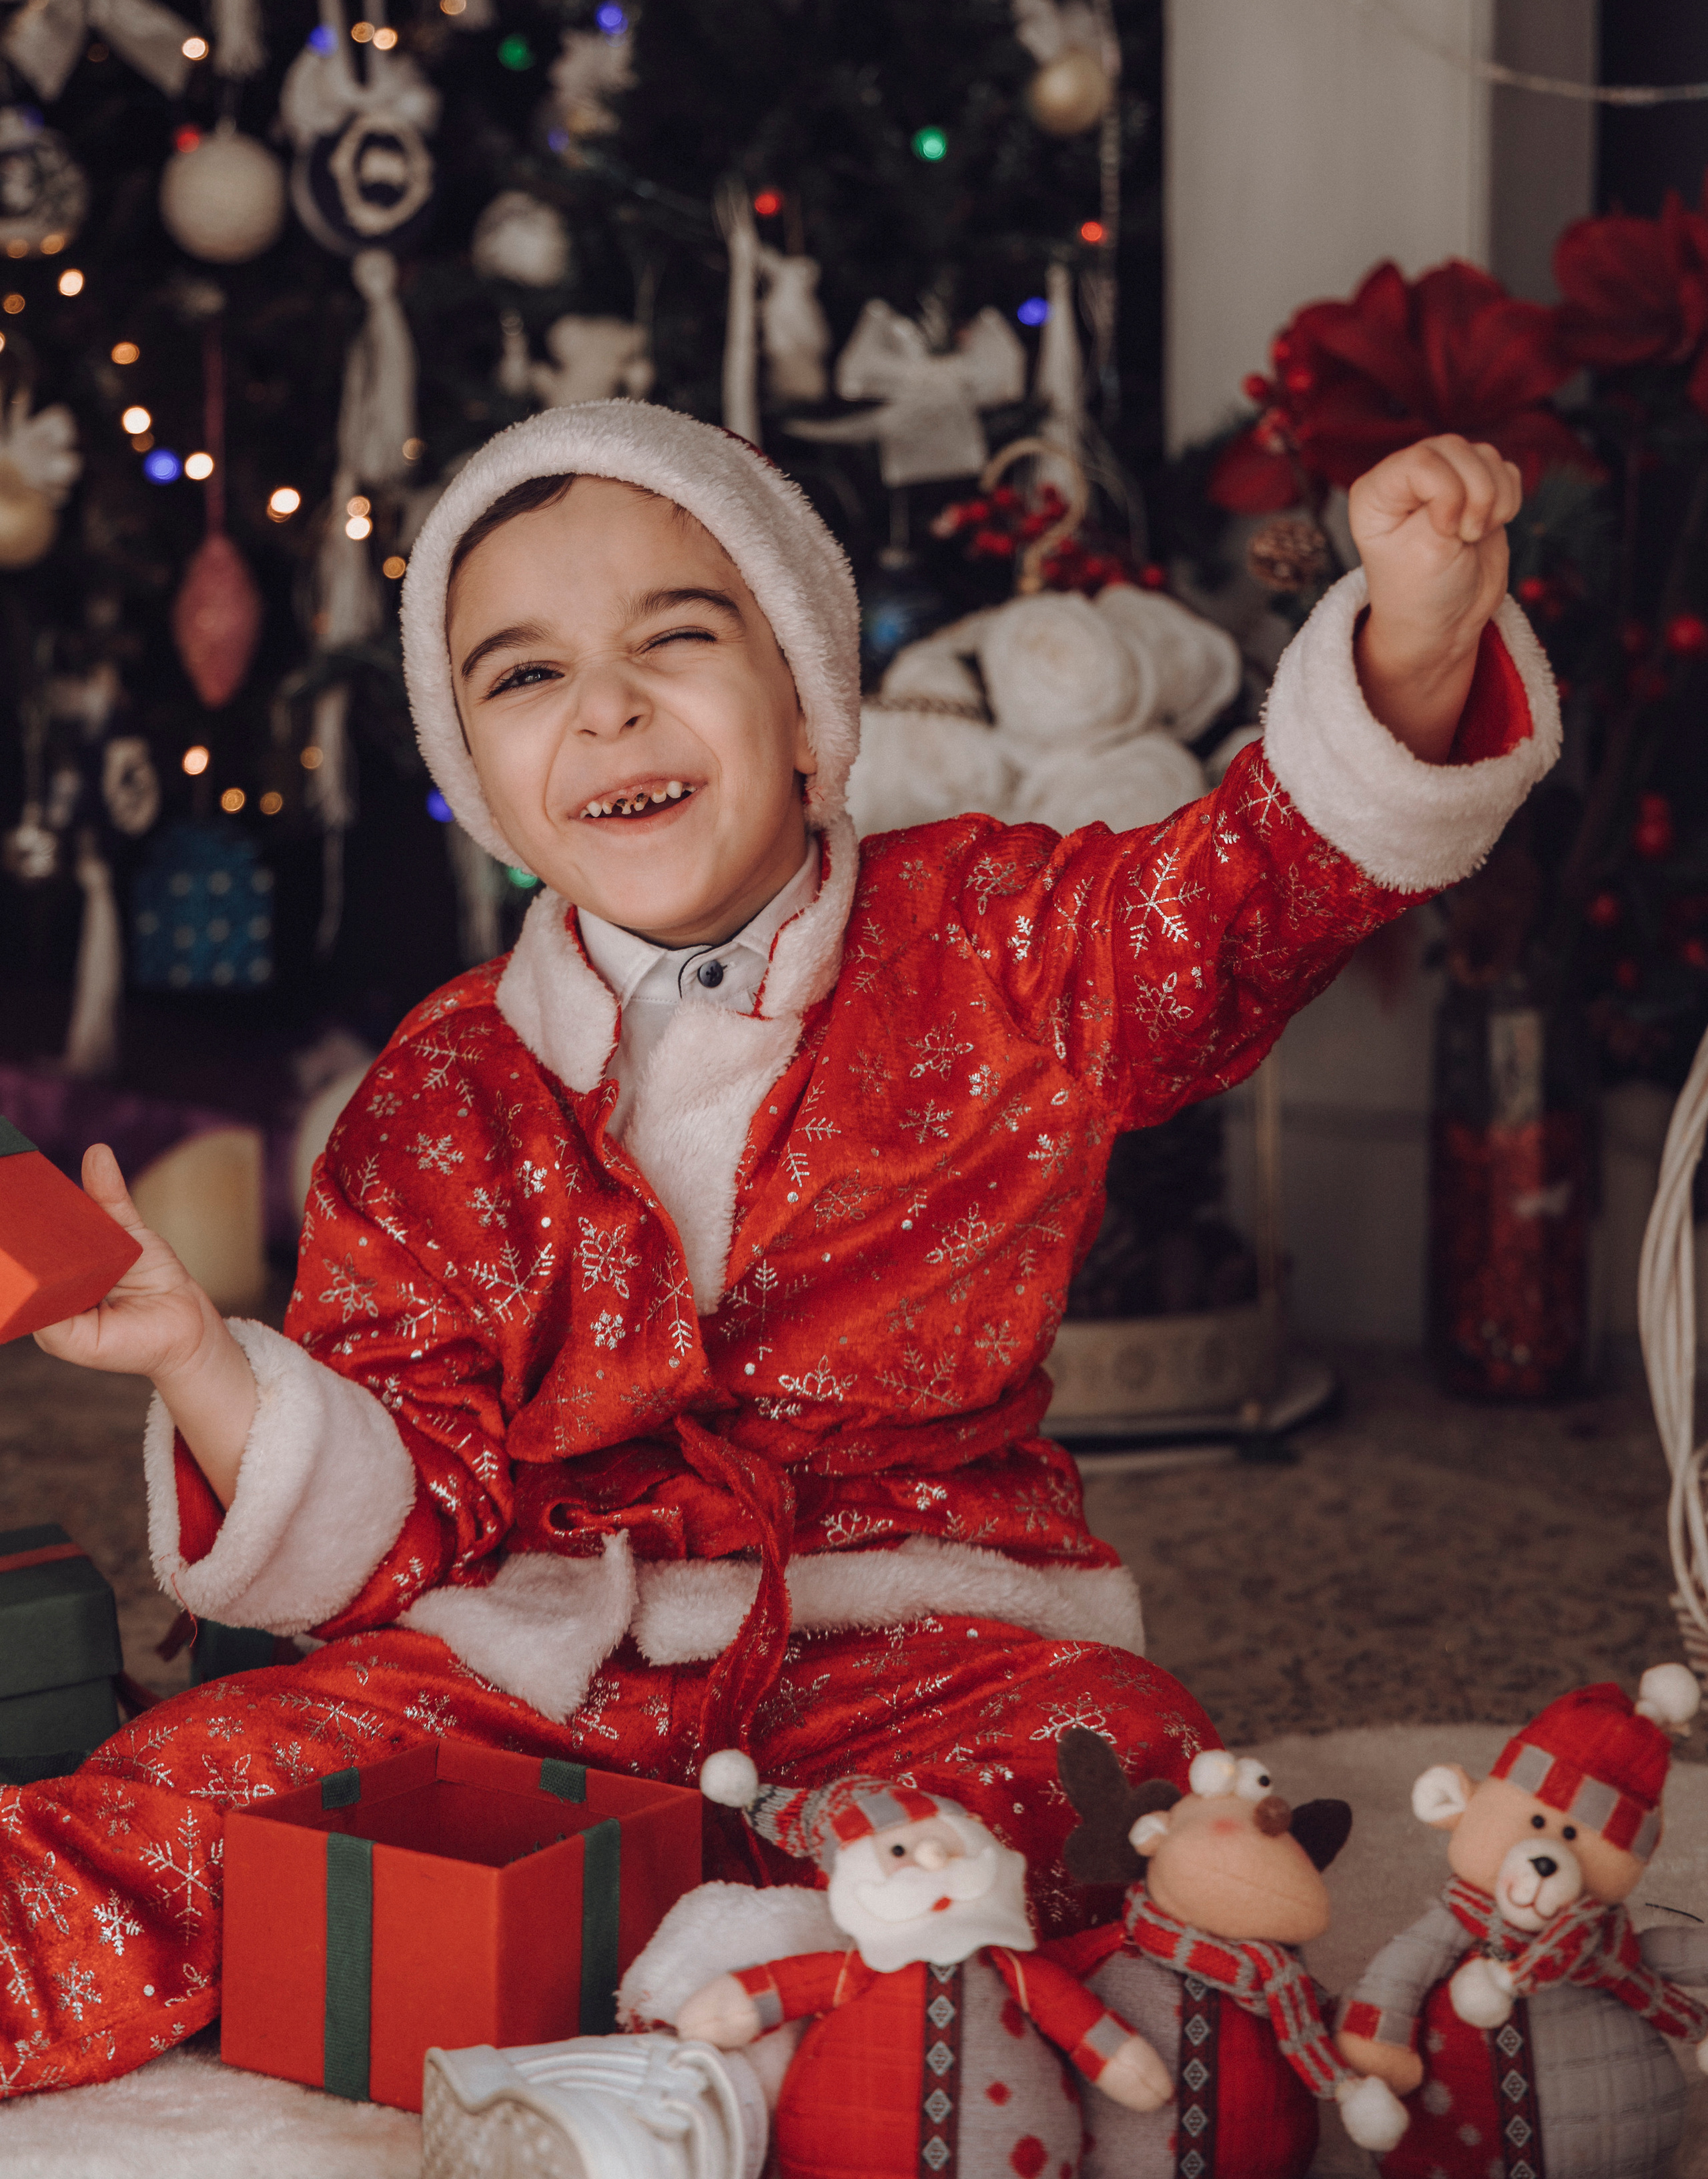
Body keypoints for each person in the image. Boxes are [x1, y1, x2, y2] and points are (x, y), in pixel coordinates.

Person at [6, 401, 1556, 2096]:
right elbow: (407, 1505)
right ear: (479, 786)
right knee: (202, 1771)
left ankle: (775, 1966)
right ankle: (767, 1948)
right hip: (538, 1666)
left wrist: (1410, 642)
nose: (604, 705)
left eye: (672, 639)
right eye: (524, 678)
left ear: (810, 722)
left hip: (915, 1639)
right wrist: (199, 1362)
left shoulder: (997, 941)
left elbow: (1247, 891)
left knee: (1126, 1763)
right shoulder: (437, 1093)